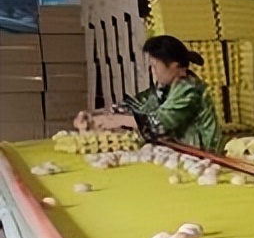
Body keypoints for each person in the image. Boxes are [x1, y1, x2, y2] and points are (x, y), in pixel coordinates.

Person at [74, 35, 221, 153]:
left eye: (155, 66)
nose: (153, 71)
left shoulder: (190, 89)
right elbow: (138, 105)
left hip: (200, 156)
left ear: (174, 66)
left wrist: (116, 119)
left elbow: (159, 124)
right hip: (176, 153)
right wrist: (94, 115)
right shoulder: (164, 87)